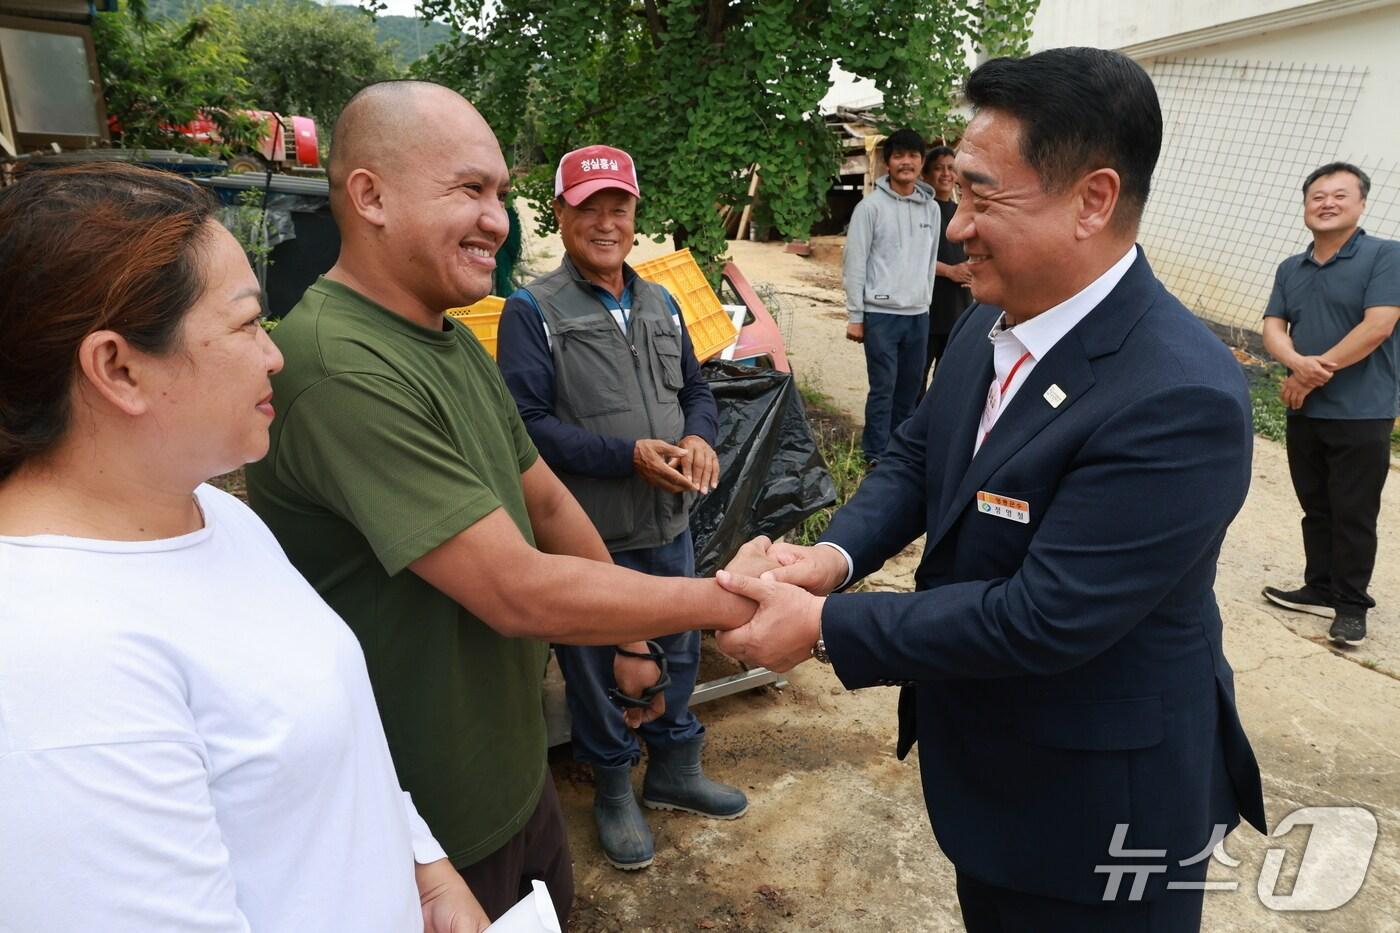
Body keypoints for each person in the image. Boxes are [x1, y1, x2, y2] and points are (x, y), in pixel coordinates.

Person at [712, 48, 1267, 932]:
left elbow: (1045, 615)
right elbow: (916, 461)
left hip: (1102, 806)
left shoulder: (1178, 396)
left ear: (1092, 199)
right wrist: (829, 559)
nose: (956, 224)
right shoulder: (988, 321)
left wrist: (821, 627)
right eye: (954, 192)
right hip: (994, 775)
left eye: (981, 195)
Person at [244, 81, 761, 927]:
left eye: (498, 191)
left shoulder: (447, 338)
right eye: (469, 190)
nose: (496, 219)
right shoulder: (343, 365)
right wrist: (726, 600)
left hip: (511, 775)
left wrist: (635, 636)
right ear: (369, 195)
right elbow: (516, 588)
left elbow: (548, 503)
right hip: (427, 819)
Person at [0, 162, 487, 931]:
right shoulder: (55, 665)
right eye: (247, 324)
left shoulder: (215, 518)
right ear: (117, 367)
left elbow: (321, 739)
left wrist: (421, 864)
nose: (274, 355)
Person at [496, 145, 748, 872]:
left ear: (635, 215)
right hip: (588, 536)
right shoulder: (534, 310)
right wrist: (627, 454)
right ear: (562, 215)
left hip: (668, 525)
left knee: (678, 650)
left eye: (619, 207)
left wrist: (699, 436)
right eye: (589, 208)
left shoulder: (660, 300)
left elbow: (698, 388)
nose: (606, 222)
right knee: (597, 666)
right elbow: (526, 426)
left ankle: (673, 768)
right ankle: (613, 787)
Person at [1260, 162, 1400, 647]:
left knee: (1353, 511)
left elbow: (1379, 324)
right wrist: (1297, 364)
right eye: (1317, 195)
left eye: (1340, 195)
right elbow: (1273, 327)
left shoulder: (1386, 256)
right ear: (1305, 206)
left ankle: (1351, 605)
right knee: (1315, 506)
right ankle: (1318, 586)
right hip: (1306, 410)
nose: (1327, 202)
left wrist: (1312, 373)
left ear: (1361, 204)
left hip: (1362, 411)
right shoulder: (1290, 269)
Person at [843, 127, 940, 467]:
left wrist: (924, 302)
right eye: (899, 156)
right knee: (883, 387)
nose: (906, 162)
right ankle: (875, 455)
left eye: (913, 155)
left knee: (911, 389)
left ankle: (900, 454)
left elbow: (929, 263)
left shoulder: (932, 210)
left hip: (918, 314)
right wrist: (856, 315)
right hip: (881, 314)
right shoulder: (869, 208)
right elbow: (855, 262)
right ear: (887, 163)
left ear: (921, 162)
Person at [919, 144, 973, 397]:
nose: (945, 174)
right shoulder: (921, 211)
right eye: (938, 168)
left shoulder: (961, 211)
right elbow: (911, 257)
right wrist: (950, 271)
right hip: (929, 305)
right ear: (926, 174)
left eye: (951, 169)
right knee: (917, 374)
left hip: (958, 304)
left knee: (948, 375)